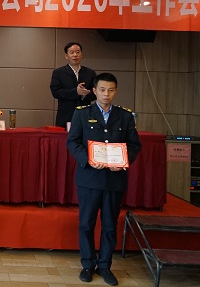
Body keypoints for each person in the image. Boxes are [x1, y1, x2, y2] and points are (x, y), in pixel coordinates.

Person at [66, 73, 141, 286]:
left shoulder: (125, 116)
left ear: (115, 91)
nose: (106, 94)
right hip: (89, 178)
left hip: (114, 180)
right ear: (94, 91)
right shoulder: (82, 113)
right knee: (86, 224)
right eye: (102, 90)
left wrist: (124, 161)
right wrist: (88, 160)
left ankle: (105, 265)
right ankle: (88, 265)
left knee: (109, 225)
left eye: (110, 90)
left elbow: (134, 145)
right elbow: (72, 142)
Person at [50, 42, 97, 128]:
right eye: (72, 52)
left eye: (78, 52)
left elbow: (96, 93)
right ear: (66, 56)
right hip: (66, 116)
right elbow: (56, 92)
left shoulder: (90, 73)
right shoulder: (58, 72)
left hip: (86, 115)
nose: (75, 55)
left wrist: (84, 94)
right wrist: (76, 92)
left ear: (81, 55)